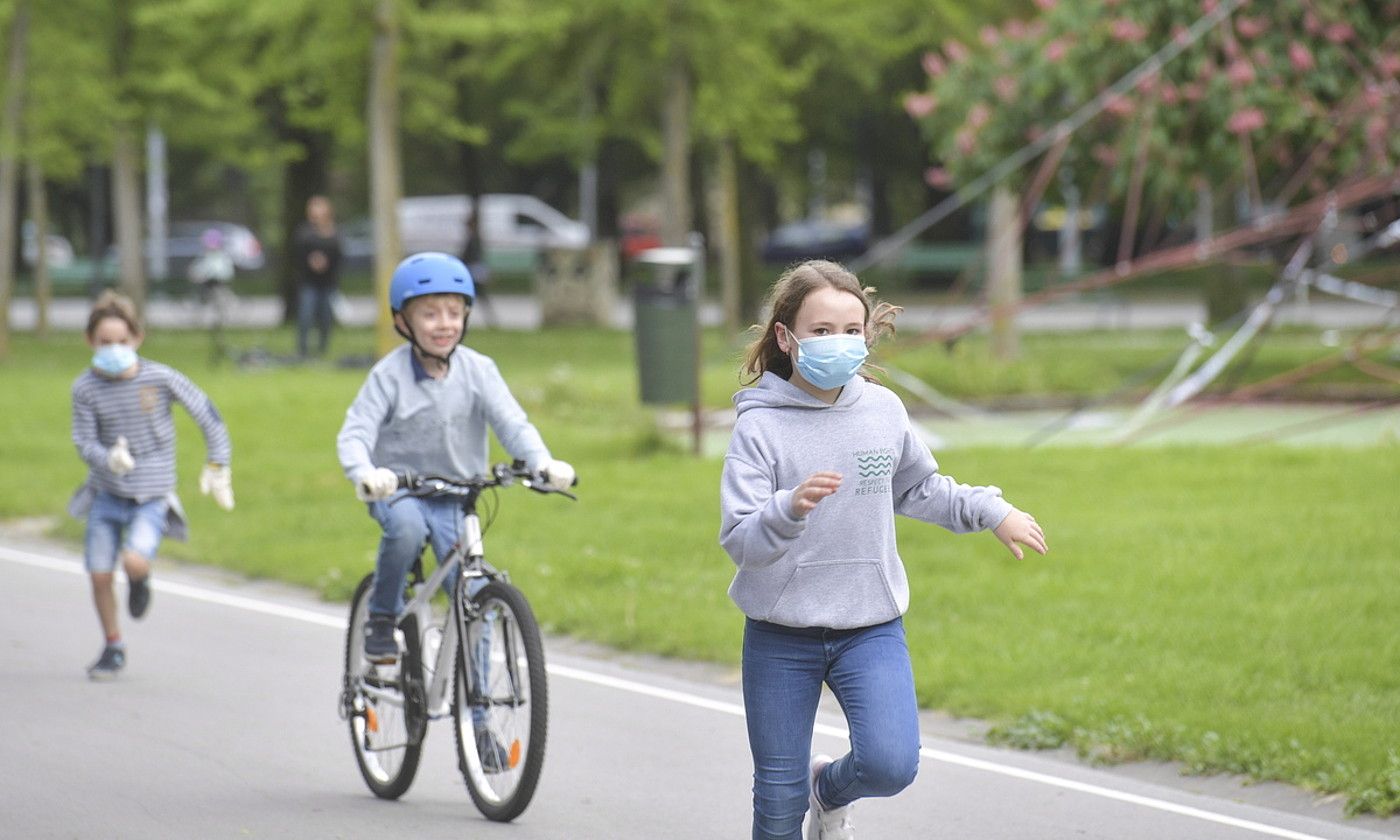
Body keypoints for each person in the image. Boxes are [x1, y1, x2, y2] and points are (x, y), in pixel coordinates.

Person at [718, 260, 1047, 840]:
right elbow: (741, 539)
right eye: (821, 331)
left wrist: (992, 511)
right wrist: (787, 508)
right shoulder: (759, 428)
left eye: (852, 330)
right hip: (779, 631)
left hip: (868, 624)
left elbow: (919, 488)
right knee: (776, 801)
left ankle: (830, 790)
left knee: (890, 764)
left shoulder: (881, 410)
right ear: (785, 337)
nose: (840, 342)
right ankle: (801, 795)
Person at [336, 251, 575, 665]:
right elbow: (356, 432)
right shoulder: (388, 376)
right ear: (402, 322)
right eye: (429, 314)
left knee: (474, 597)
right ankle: (381, 616)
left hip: (457, 495)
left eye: (454, 312)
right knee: (406, 530)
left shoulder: (479, 369)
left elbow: (512, 424)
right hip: (400, 491)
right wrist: (365, 473)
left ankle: (480, 720)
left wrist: (542, 462)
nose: (444, 323)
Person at [69, 291, 235, 680]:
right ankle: (113, 644)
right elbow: (83, 440)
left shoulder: (159, 379)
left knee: (134, 559)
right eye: (105, 342)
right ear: (90, 341)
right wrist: (106, 458)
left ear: (137, 339)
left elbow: (208, 415)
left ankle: (140, 579)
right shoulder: (85, 388)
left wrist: (218, 463)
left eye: (122, 342)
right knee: (98, 574)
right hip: (107, 492)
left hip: (151, 494)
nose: (114, 350)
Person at [294, 194, 343, 358]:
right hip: (309, 282)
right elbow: (298, 256)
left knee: (326, 318)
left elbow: (340, 257)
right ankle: (302, 350)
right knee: (305, 316)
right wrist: (311, 262)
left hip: (328, 282)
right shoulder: (305, 232)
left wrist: (326, 263)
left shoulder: (334, 232)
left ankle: (322, 349)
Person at [458, 206, 496, 325]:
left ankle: (466, 318)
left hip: (473, 271)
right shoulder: (475, 238)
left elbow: (469, 256)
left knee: (470, 296)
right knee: (479, 296)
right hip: (476, 270)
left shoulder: (473, 239)